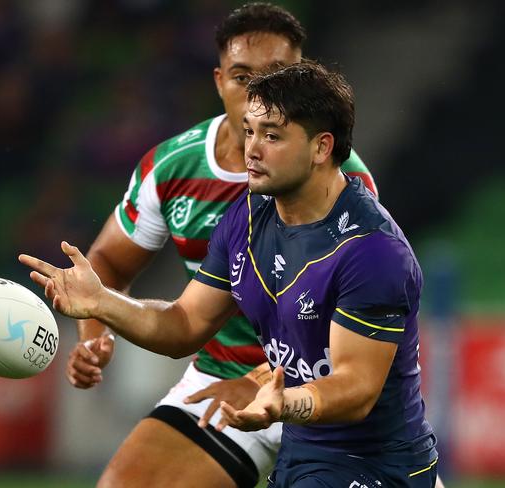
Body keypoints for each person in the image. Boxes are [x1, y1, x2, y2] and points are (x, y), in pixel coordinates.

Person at [20, 59, 438, 487]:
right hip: (304, 451)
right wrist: (103, 302)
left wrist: (282, 402)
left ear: (321, 148)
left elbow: (356, 388)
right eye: (251, 131)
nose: (251, 149)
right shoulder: (248, 215)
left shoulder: (373, 251)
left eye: (272, 136)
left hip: (376, 465)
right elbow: (185, 324)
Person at [63, 4, 376, 488]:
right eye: (241, 76)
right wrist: (95, 329)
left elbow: (348, 336)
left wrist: (259, 383)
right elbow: (130, 279)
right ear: (218, 80)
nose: (256, 93)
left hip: (329, 385)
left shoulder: (345, 183)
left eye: (274, 77)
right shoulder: (176, 169)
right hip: (220, 380)